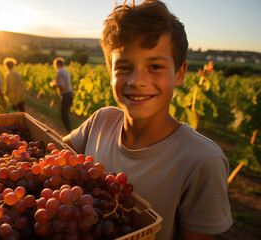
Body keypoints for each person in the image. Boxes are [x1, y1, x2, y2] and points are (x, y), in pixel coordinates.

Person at [63, 1, 233, 239]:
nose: (137, 80)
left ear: (180, 73)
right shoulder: (99, 122)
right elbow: (50, 155)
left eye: (155, 66)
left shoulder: (203, 161)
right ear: (110, 71)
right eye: (123, 67)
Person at [49, 57, 73, 133]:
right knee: (66, 113)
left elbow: (62, 86)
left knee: (64, 115)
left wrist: (53, 85)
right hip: (70, 94)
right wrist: (56, 82)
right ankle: (69, 131)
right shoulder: (66, 70)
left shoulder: (59, 72)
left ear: (57, 65)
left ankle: (69, 132)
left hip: (65, 95)